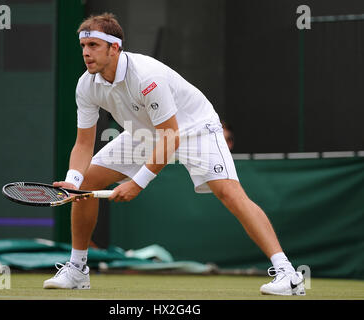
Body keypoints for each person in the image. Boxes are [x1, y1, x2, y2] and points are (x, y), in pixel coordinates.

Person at [43, 13, 305, 296]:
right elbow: (83, 144)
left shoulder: (146, 76)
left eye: (93, 45)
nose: (86, 53)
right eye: (83, 46)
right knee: (86, 183)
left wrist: (138, 182)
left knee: (230, 193)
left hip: (195, 130)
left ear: (114, 47)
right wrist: (73, 179)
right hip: (143, 133)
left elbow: (171, 135)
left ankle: (287, 274)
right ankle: (78, 269)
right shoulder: (86, 85)